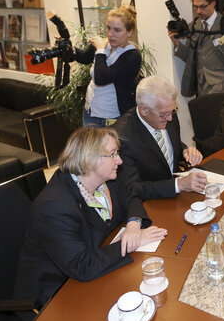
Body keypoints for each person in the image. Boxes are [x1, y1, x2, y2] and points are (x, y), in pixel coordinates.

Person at [13, 127, 167, 311]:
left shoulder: (106, 179)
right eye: (112, 154)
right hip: (57, 296)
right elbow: (82, 266)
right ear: (89, 160)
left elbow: (130, 197)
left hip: (97, 266)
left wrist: (134, 225)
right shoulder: (53, 207)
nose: (119, 160)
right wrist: (132, 243)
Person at [114, 76, 207, 203]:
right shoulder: (122, 137)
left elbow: (168, 148)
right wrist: (178, 185)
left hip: (177, 199)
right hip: (150, 204)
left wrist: (185, 151)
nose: (170, 119)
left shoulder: (167, 113)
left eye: (172, 112)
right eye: (164, 114)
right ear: (144, 110)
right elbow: (132, 188)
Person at [75, 5, 142, 127]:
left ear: (130, 32)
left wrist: (100, 50)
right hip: (90, 113)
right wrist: (68, 48)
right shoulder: (105, 44)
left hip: (113, 117)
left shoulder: (132, 56)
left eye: (117, 30)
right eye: (108, 28)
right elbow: (84, 58)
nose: (110, 34)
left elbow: (101, 77)